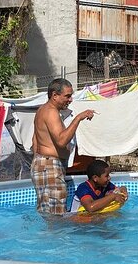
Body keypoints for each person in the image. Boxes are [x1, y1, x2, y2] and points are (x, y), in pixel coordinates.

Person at [31, 78, 95, 215]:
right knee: (56, 214)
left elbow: (34, 141)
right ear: (54, 95)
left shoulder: (42, 110)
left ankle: (48, 236)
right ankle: (56, 237)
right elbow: (61, 140)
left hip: (43, 165)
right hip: (49, 166)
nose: (70, 99)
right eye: (67, 96)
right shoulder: (51, 112)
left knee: (47, 212)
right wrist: (78, 118)